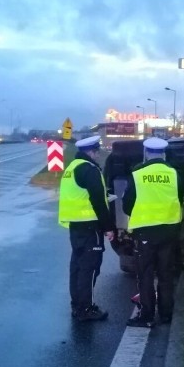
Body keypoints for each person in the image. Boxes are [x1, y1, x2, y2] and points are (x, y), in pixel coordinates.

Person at [122, 137, 184, 328]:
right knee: (166, 273)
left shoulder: (137, 173)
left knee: (146, 273)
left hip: (145, 232)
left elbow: (127, 205)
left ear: (146, 153)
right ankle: (166, 315)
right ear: (163, 154)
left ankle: (147, 315)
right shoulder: (174, 173)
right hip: (169, 230)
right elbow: (180, 199)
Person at [58, 135, 114, 321]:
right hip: (91, 226)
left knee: (77, 267)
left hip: (75, 226)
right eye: (97, 152)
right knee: (89, 269)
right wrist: (108, 227)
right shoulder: (90, 170)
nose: (98, 155)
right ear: (92, 151)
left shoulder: (71, 168)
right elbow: (98, 201)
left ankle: (77, 305)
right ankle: (86, 308)